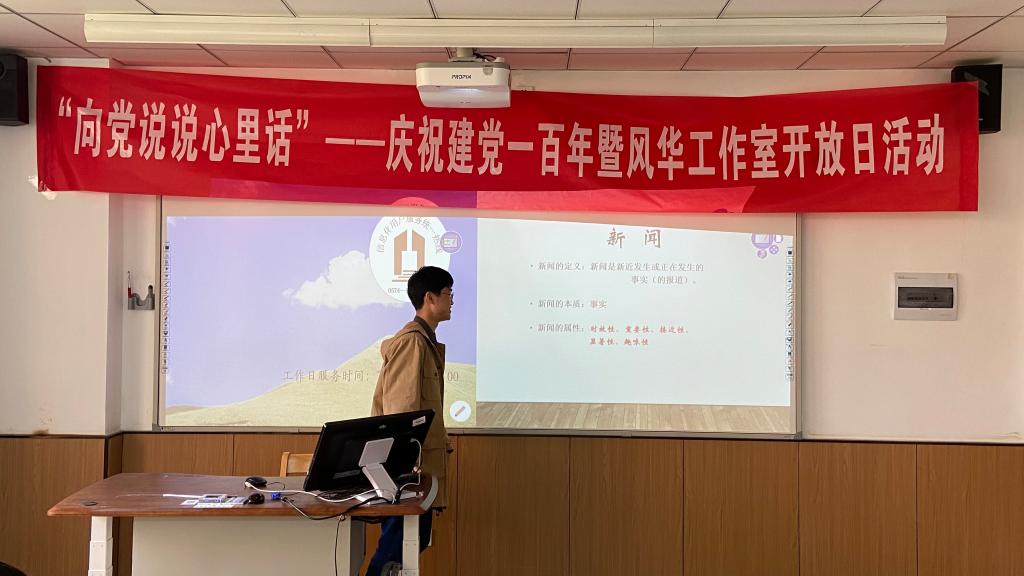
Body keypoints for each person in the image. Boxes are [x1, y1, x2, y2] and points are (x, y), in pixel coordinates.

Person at [365, 265, 454, 576]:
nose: (452, 300)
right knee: (392, 556)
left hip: (418, 475)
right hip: (406, 476)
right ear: (429, 298)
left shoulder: (425, 342)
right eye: (448, 293)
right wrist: (406, 473)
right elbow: (400, 415)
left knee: (406, 552)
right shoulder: (412, 342)